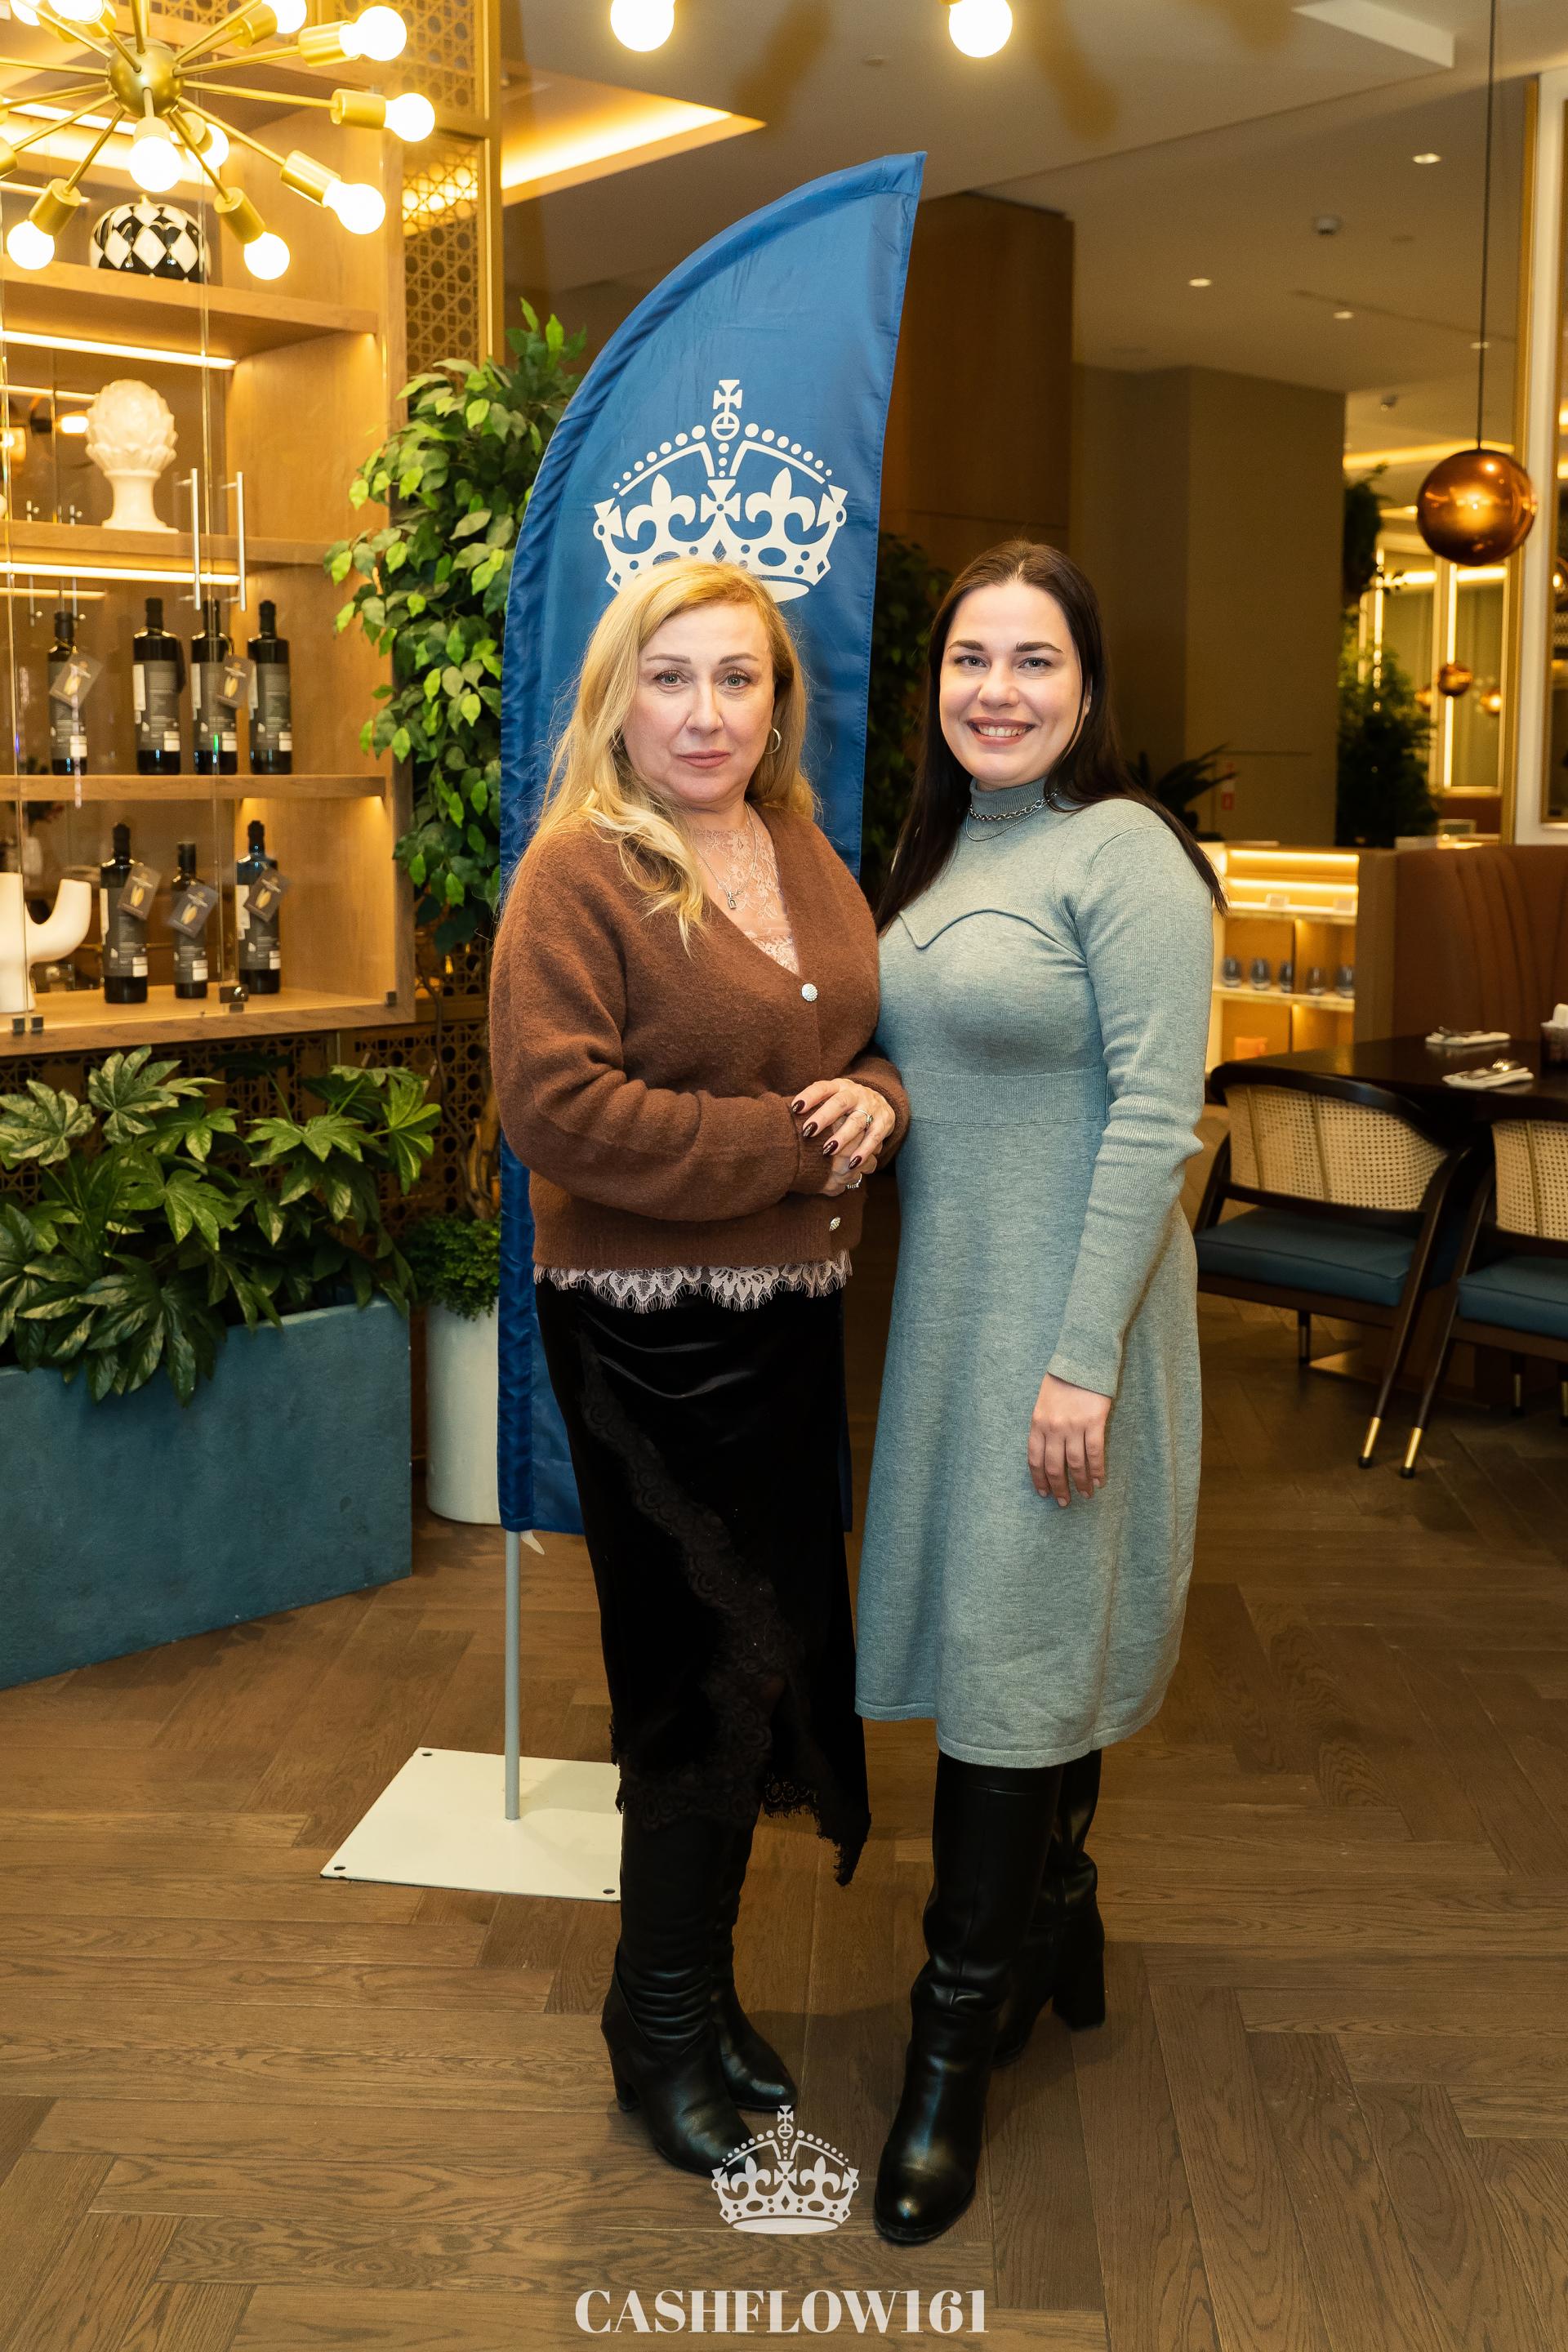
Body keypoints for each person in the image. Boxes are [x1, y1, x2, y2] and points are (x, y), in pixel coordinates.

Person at [490, 557, 907, 2180]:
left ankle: (693, 1990)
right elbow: (558, 1112)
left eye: (740, 679)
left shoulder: (793, 843)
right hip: (645, 1342)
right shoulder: (578, 873)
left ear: (778, 702)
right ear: (618, 696)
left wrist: (880, 1098)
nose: (708, 712)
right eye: (671, 678)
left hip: (786, 1324)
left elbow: (849, 1037)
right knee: (694, 1672)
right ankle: (652, 2026)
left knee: (766, 1665)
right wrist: (794, 1150)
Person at [853, 541, 1223, 2245]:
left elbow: (1157, 1118)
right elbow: (918, 1043)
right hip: (953, 1320)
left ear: (1088, 687)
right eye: (969, 659)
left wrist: (1083, 1357)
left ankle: (948, 2048)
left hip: (1076, 1328)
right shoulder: (939, 850)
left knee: (1011, 1655)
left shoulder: (1125, 851)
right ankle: (1056, 1912)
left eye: (1034, 660)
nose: (995, 690)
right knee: (1015, 1629)